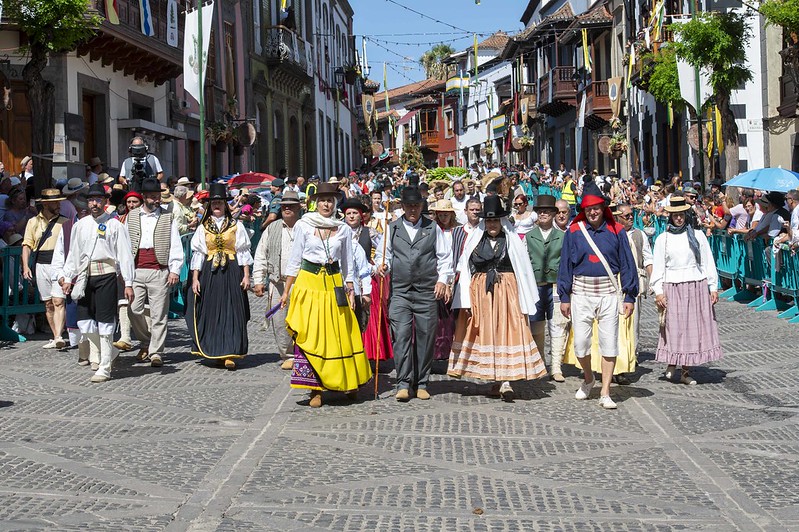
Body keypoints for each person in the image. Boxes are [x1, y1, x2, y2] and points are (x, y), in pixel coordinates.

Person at [280, 182, 372, 408]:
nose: (326, 204)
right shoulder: (303, 225)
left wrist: (351, 289)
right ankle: (315, 389)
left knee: (340, 335)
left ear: (335, 203)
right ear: (315, 202)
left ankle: (348, 382)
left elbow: (348, 263)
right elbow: (295, 260)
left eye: (330, 200)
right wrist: (286, 291)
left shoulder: (343, 228)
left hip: (333, 284)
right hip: (309, 283)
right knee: (312, 335)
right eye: (322, 200)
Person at [449, 195, 546, 400]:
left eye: (495, 220)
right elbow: (465, 267)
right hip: (482, 293)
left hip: (508, 291)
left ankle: (506, 381)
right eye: (489, 220)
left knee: (507, 331)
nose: (492, 224)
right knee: (488, 333)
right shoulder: (475, 240)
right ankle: (495, 378)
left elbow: (523, 269)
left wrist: (523, 297)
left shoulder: (511, 241)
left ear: (501, 221)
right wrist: (466, 298)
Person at [557, 183, 638, 409]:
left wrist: (629, 296)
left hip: (609, 293)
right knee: (580, 345)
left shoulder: (617, 231)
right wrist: (564, 296)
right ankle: (588, 378)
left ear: (603, 208)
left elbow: (627, 264)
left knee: (609, 344)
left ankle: (605, 391)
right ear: (583, 209)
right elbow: (565, 264)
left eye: (596, 208)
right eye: (588, 208)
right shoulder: (574, 232)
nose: (593, 212)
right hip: (581, 292)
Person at [374, 185, 453, 402]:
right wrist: (381, 268)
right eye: (408, 205)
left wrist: (442, 280)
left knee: (426, 336)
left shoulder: (432, 227)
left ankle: (422, 382)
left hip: (426, 290)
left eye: (416, 205)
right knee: (400, 336)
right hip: (400, 291)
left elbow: (445, 257)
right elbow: (384, 257)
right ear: (402, 207)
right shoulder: (392, 228)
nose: (412, 209)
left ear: (421, 206)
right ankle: (403, 382)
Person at [59, 184, 135, 383]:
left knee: (105, 322)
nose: (94, 203)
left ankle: (104, 366)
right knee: (84, 323)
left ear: (105, 201)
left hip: (107, 276)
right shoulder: (80, 225)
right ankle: (110, 352)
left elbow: (125, 255)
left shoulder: (115, 225)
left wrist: (128, 282)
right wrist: (68, 277)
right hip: (85, 277)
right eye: (91, 200)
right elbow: (74, 253)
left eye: (98, 200)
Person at [652, 196, 722, 384]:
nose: (679, 219)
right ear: (671, 217)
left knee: (693, 329)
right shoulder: (662, 239)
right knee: (674, 327)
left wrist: (713, 287)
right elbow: (658, 266)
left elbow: (707, 261)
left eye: (682, 215)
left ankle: (685, 372)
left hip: (695, 285)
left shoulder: (697, 236)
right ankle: (672, 362)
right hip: (673, 286)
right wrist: (658, 291)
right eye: (675, 216)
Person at [186, 183, 252, 369]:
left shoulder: (235, 225)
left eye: (220, 203)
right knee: (212, 309)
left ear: (225, 205)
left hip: (231, 270)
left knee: (232, 309)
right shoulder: (203, 227)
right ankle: (215, 350)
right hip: (210, 271)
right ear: (209, 205)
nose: (217, 206)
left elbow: (242, 252)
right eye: (214, 203)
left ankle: (230, 351)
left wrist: (246, 276)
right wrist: (195, 278)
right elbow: (198, 254)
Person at [124, 178, 183, 368]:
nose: (156, 200)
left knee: (159, 314)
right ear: (144, 198)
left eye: (158, 196)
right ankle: (145, 341)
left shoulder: (168, 217)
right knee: (133, 310)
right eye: (152, 197)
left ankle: (156, 352)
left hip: (159, 270)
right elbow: (125, 245)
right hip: (136, 269)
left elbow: (175, 244)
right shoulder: (132, 216)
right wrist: (124, 271)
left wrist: (174, 270)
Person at [252, 191, 302, 370]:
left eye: (291, 206)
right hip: (278, 282)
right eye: (284, 206)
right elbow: (261, 255)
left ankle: (303, 354)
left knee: (303, 320)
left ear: (299, 207)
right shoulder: (272, 228)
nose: (287, 209)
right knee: (280, 322)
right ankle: (287, 354)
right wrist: (258, 280)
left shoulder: (306, 227)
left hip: (302, 283)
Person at [525, 194, 568, 382]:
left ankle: (556, 367)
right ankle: (540, 362)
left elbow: (567, 262)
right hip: (535, 285)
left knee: (557, 325)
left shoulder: (563, 236)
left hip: (555, 285)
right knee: (536, 325)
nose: (543, 214)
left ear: (553, 214)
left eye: (547, 211)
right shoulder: (528, 236)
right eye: (540, 211)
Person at [21, 188, 68, 348]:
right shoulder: (33, 222)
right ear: (46, 204)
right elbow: (27, 245)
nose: (58, 205)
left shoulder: (65, 222)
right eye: (55, 202)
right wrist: (26, 266)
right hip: (41, 263)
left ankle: (59, 335)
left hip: (59, 263)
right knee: (48, 303)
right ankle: (56, 336)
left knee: (58, 300)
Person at [113, 191, 144, 352]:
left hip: (143, 265)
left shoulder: (144, 218)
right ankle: (125, 336)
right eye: (129, 202)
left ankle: (147, 339)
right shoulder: (121, 220)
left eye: (135, 202)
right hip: (125, 265)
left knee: (142, 304)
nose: (131, 205)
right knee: (123, 300)